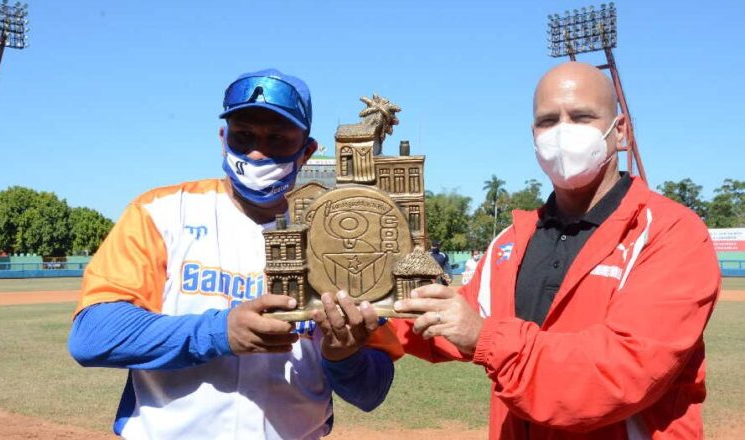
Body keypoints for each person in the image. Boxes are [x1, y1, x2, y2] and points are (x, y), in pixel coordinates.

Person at [391, 62, 720, 439]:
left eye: (581, 117)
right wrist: (371, 323)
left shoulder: (669, 233)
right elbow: (444, 321)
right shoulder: (511, 242)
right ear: (534, 135)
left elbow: (619, 373)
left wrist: (486, 337)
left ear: (621, 132)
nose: (563, 133)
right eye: (548, 121)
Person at [68, 69, 401, 440]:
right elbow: (93, 336)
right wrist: (219, 331)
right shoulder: (161, 213)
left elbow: (371, 392)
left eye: (277, 138)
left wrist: (344, 356)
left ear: (306, 151)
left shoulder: (342, 236)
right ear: (223, 137)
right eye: (244, 136)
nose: (257, 151)